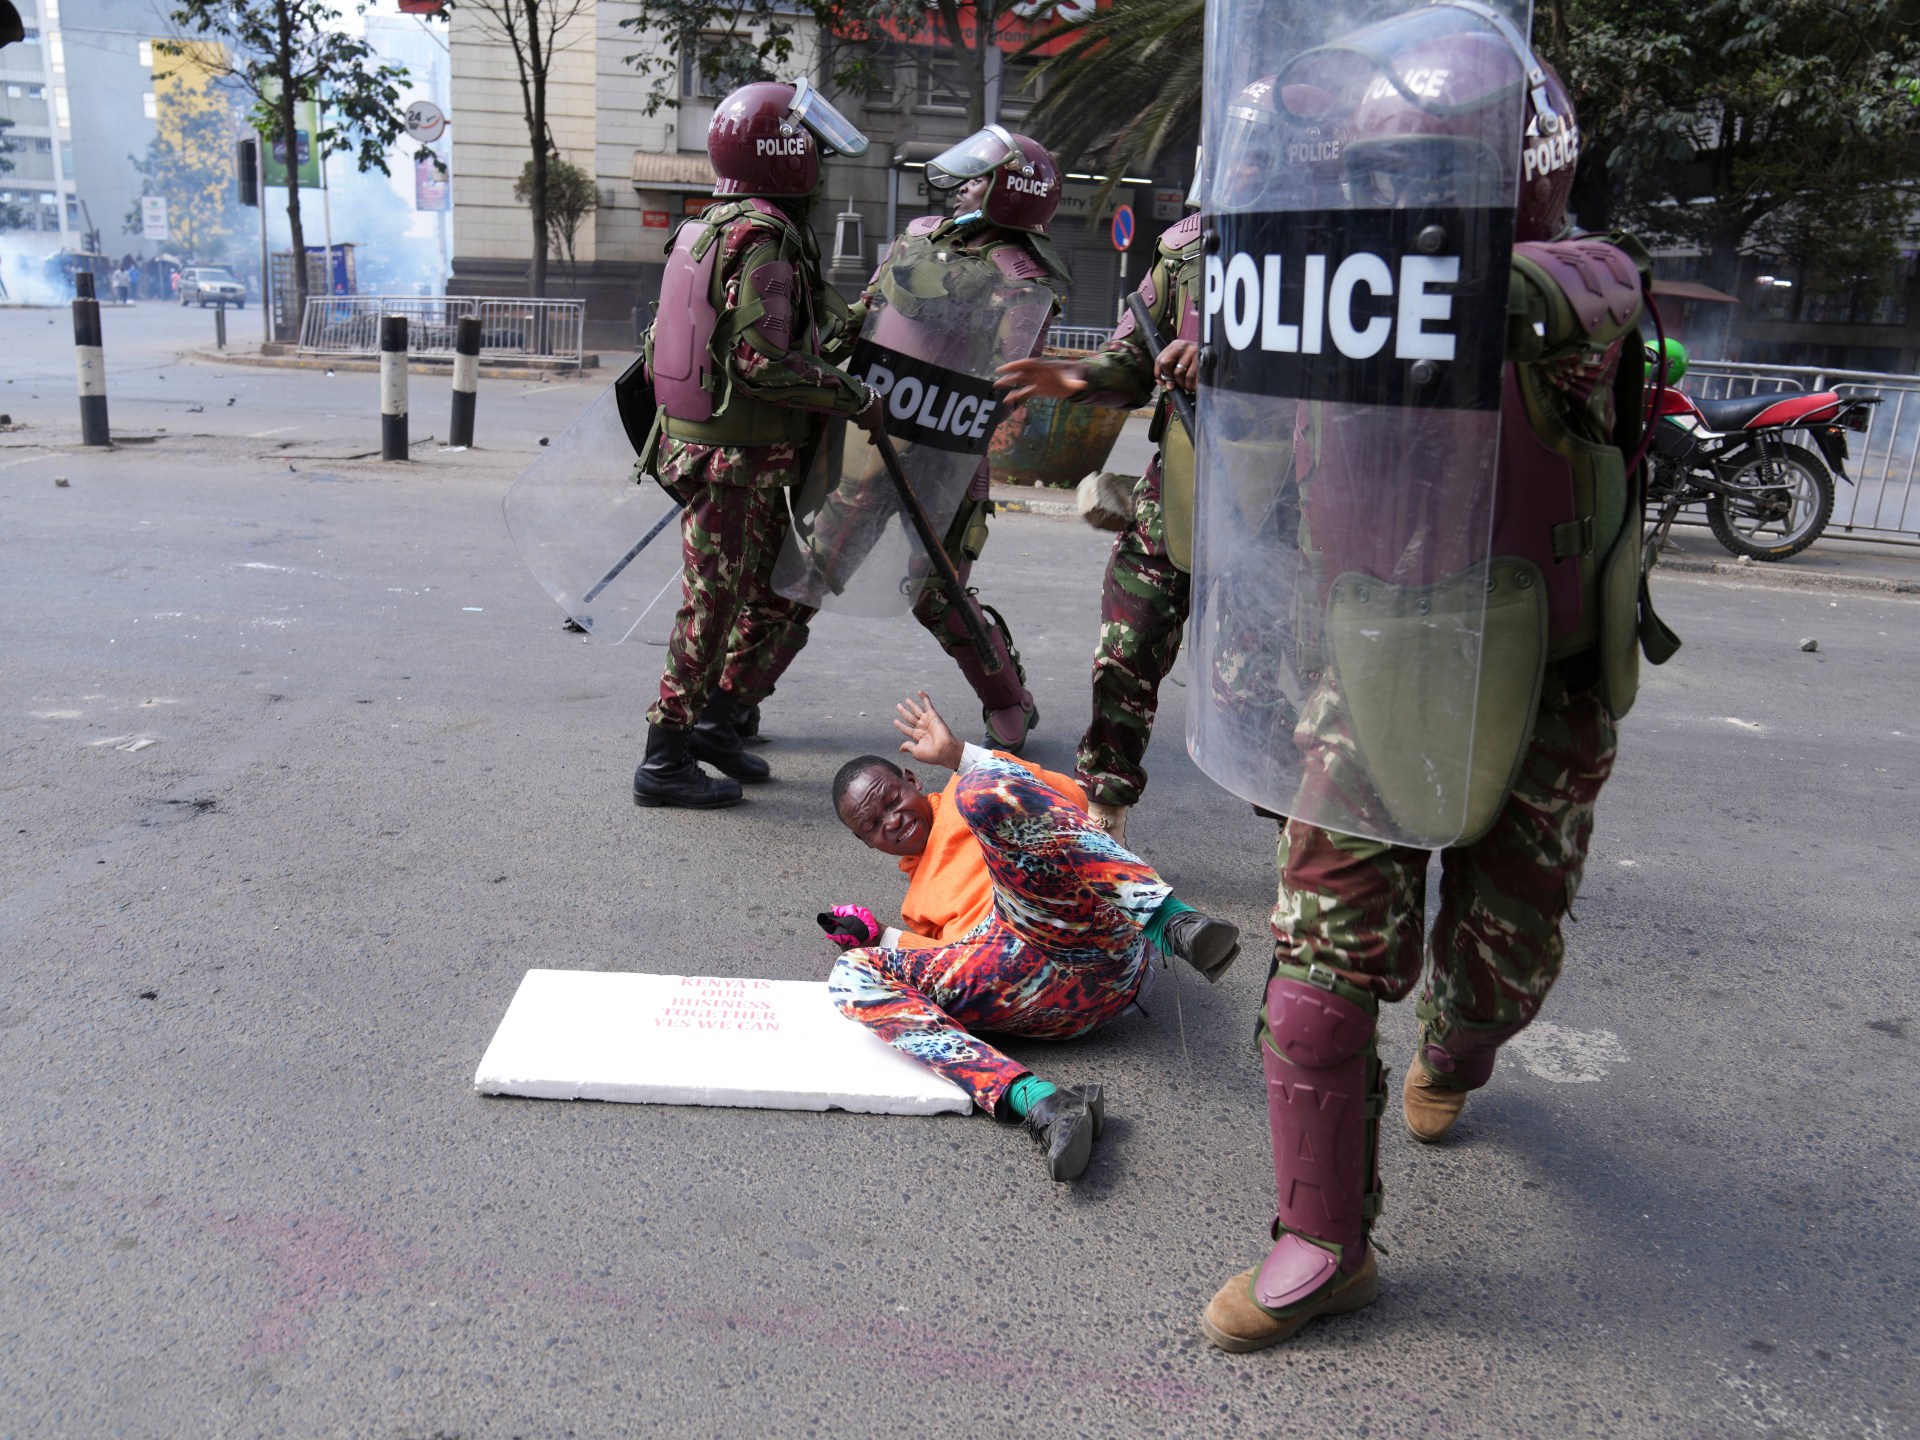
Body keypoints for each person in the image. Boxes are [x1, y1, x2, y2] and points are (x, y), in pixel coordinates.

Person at [1191, 10, 1680, 1352]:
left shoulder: (1578, 278)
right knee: (1317, 967)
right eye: (1365, 178)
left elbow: (1570, 295)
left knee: (1505, 963)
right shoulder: (1318, 288)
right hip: (1363, 660)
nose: (1379, 206)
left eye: (1413, 183)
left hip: (1546, 682)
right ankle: (1321, 1238)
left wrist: (1457, 281)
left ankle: (1464, 1042)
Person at [723, 127, 1072, 754]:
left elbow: (1012, 378)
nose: (966, 186)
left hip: (948, 455)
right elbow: (867, 313)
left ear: (1013, 193)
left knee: (939, 594)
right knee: (808, 570)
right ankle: (735, 695)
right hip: (868, 434)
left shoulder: (1024, 276)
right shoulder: (920, 237)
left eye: (982, 178)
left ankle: (1007, 700)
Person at [824, 691, 1243, 1181]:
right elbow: (950, 971)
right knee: (849, 977)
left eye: (893, 800)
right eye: (872, 825)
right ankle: (1041, 1105)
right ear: (865, 841)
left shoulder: (968, 790)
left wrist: (959, 756)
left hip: (1081, 936)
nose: (891, 821)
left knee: (979, 789)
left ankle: (1169, 920)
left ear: (913, 780)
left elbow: (1072, 801)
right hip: (1036, 995)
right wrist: (879, 938)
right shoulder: (917, 904)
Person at [632, 77, 881, 810]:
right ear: (787, 153)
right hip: (733, 461)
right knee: (710, 606)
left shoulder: (709, 223)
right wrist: (853, 396)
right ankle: (664, 758)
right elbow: (761, 362)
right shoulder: (764, 234)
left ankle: (715, 724)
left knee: (769, 591)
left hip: (717, 451)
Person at [995, 189, 1205, 846]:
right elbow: (1134, 358)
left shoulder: (1339, 245)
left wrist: (1235, 364)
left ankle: (1309, 848)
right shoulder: (1189, 249)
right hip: (1182, 483)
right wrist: (1080, 377)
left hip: (1288, 504)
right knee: (1128, 646)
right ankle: (1104, 811)